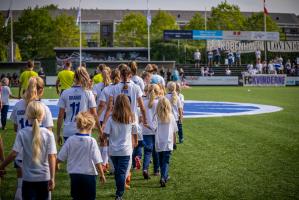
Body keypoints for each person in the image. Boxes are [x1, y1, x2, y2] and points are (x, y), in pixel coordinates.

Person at [0, 101, 57, 200]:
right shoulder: (49, 134)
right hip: (44, 178)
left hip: (27, 179)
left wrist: (2, 166)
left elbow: (14, 154)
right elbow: (52, 156)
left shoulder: (22, 133)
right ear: (43, 115)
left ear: (27, 115)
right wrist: (52, 177)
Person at [10, 76, 54, 200]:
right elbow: (49, 133)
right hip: (39, 153)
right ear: (41, 90)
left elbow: (15, 127)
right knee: (44, 188)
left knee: (21, 184)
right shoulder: (43, 108)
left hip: (21, 152)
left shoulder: (18, 105)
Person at [57, 112, 106, 200]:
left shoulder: (70, 140)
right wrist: (102, 174)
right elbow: (97, 160)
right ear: (90, 126)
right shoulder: (91, 141)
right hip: (89, 175)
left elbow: (60, 157)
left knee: (76, 197)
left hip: (74, 175)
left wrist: (56, 164)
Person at [103, 94, 137, 200]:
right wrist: (135, 141)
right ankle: (119, 194)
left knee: (118, 172)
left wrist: (103, 137)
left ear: (116, 104)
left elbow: (106, 134)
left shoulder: (111, 118)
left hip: (113, 150)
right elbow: (135, 131)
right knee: (121, 172)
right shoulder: (131, 117)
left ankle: (119, 192)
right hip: (125, 150)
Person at [56, 67, 102, 145]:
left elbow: (60, 116)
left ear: (74, 78)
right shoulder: (88, 93)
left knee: (70, 157)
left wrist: (58, 134)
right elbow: (94, 114)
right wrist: (100, 132)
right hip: (84, 130)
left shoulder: (65, 93)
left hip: (68, 131)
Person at [153, 97, 178, 187]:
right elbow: (174, 131)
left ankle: (164, 176)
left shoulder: (156, 116)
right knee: (166, 161)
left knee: (161, 161)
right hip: (168, 142)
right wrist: (175, 143)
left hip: (159, 142)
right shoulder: (171, 116)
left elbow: (153, 128)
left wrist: (147, 125)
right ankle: (164, 177)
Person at [142, 84, 160, 179]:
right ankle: (156, 170)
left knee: (147, 151)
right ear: (158, 92)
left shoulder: (144, 102)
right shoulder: (159, 102)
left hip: (145, 129)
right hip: (156, 129)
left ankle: (145, 168)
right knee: (156, 151)